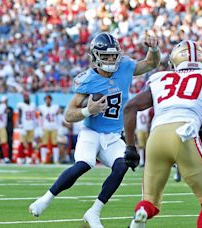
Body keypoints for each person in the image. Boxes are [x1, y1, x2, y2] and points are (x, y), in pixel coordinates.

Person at [29, 32, 160, 227]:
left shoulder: (124, 67)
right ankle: (45, 199)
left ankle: (94, 212)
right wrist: (88, 110)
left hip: (114, 136)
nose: (110, 59)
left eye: (113, 55)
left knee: (122, 165)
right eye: (105, 56)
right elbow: (69, 115)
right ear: (95, 56)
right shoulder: (88, 80)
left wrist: (154, 48)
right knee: (84, 163)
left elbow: (151, 63)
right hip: (91, 133)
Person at [124, 40, 202, 228]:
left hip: (156, 137)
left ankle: (141, 215)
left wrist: (130, 147)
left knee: (150, 201)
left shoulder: (160, 78)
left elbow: (130, 107)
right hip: (185, 134)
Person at [38, 94, 61, 164]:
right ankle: (43, 160)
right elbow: (40, 119)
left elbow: (59, 117)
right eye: (46, 99)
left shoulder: (55, 107)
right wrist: (40, 128)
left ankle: (56, 160)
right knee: (44, 144)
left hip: (54, 127)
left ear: (51, 100)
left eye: (49, 99)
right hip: (45, 127)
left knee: (55, 144)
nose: (48, 100)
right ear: (45, 100)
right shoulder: (41, 107)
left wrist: (59, 127)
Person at [16, 92, 37, 164]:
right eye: (25, 97)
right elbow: (19, 115)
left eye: (27, 97)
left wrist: (35, 124)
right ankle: (20, 157)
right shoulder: (21, 105)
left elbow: (34, 116)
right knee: (21, 142)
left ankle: (29, 157)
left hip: (31, 125)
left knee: (30, 142)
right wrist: (20, 124)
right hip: (24, 126)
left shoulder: (33, 105)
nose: (26, 98)